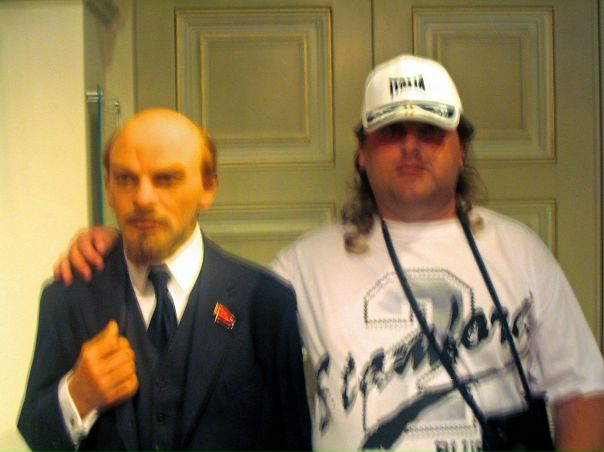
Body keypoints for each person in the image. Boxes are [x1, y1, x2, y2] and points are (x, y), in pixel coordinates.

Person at [52, 55, 604, 452]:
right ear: (363, 152)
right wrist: (124, 245)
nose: (411, 145)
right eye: (391, 131)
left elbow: (582, 393)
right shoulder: (301, 266)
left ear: (461, 148)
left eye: (431, 130)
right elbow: (208, 346)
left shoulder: (522, 253)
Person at [18, 109, 312, 452]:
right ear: (109, 187)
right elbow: (37, 434)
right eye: (125, 178)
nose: (142, 198)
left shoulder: (266, 304)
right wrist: (77, 397)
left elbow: (292, 441)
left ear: (208, 187)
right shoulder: (69, 297)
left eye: (166, 179)